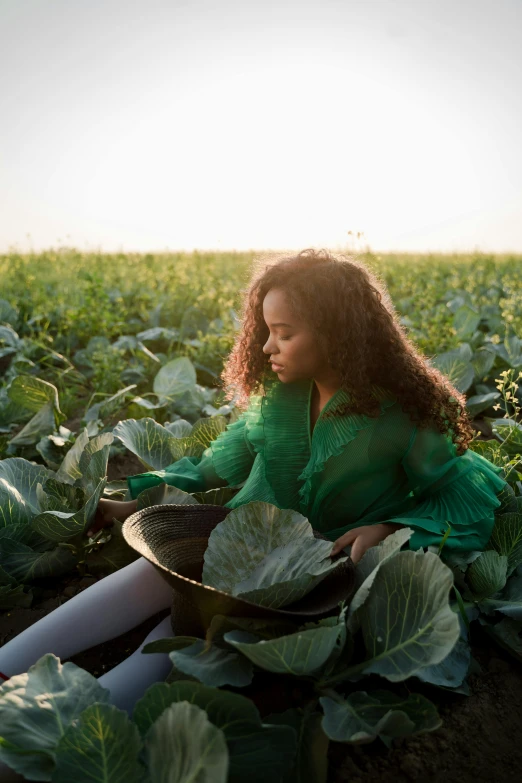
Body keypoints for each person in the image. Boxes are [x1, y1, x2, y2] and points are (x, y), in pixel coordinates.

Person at [0, 248, 508, 716]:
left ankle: (45, 731)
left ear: (339, 334)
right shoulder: (277, 400)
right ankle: (7, 666)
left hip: (316, 574)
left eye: (285, 333)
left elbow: (463, 497)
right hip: (243, 542)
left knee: (187, 635)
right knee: (149, 578)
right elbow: (214, 468)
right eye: (266, 330)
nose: (268, 346)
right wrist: (129, 500)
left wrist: (389, 528)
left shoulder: (404, 415)